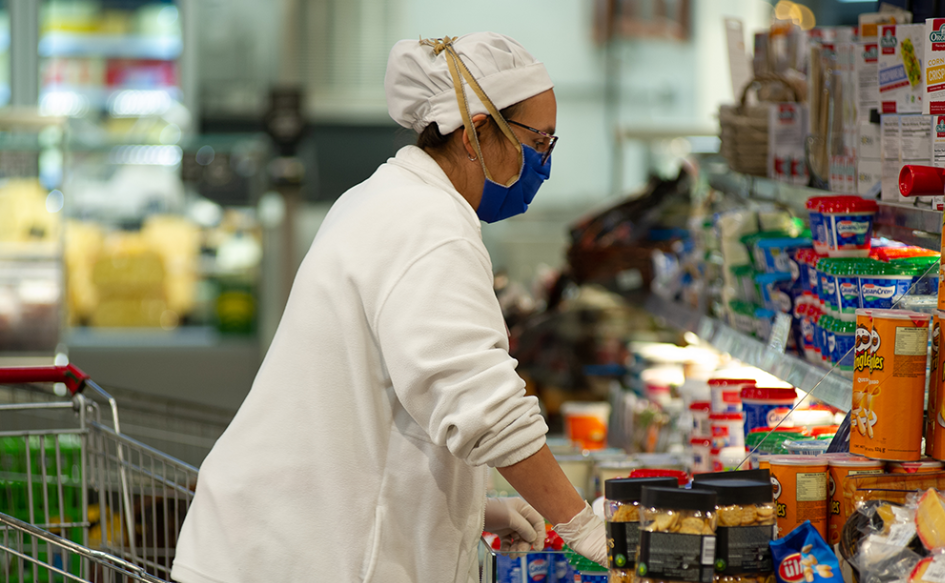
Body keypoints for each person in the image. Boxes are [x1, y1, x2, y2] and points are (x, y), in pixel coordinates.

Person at [171, 32, 605, 583]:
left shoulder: (386, 196)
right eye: (538, 140)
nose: (544, 161)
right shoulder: (429, 227)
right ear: (474, 132)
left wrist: (473, 512)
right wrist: (581, 525)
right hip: (297, 559)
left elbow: (389, 399)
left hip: (272, 544)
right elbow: (484, 405)